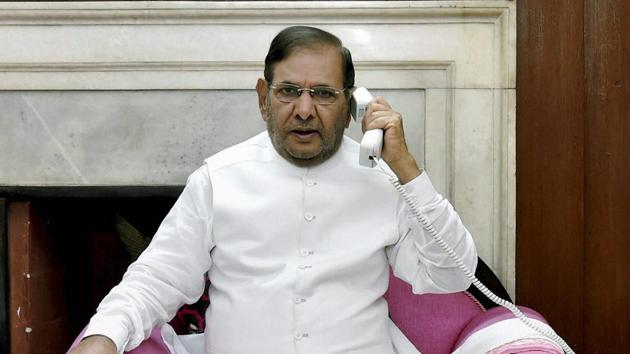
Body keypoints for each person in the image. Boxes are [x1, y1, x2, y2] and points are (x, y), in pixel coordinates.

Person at [69, 25, 477, 354]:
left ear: (352, 106)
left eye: (323, 94)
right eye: (288, 92)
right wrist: (103, 336)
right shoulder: (218, 179)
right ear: (264, 98)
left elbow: (454, 273)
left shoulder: (384, 182)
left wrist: (405, 167)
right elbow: (157, 278)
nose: (303, 109)